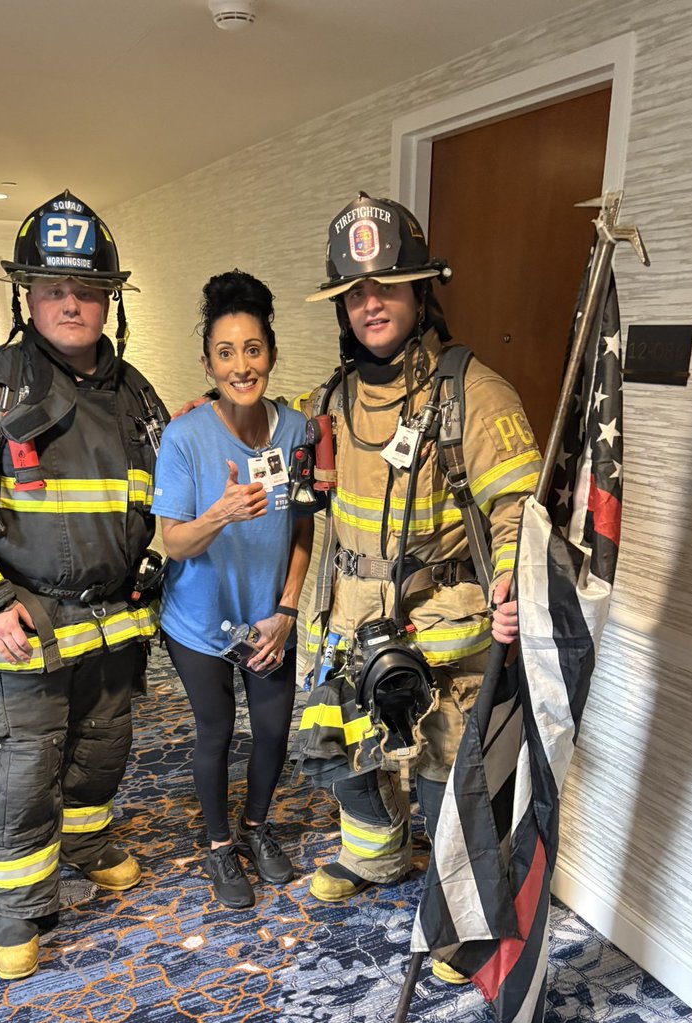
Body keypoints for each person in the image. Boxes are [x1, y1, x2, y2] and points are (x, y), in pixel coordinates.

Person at [0, 191, 168, 981]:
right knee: (24, 771)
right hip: (20, 628)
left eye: (88, 289)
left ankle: (86, 842)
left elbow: (166, 490)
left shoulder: (136, 394)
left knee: (101, 753)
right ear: (26, 297)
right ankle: (17, 908)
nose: (72, 303)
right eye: (54, 288)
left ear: (110, 299)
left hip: (111, 626)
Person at [294, 193, 541, 929]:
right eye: (354, 293)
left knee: (448, 780)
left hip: (441, 626)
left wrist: (510, 577)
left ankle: (462, 920)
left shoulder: (477, 394)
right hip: (346, 622)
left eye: (387, 286)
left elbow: (518, 513)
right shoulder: (330, 399)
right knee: (352, 762)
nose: (370, 304)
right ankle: (375, 858)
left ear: (422, 291)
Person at [152, 270, 314, 909]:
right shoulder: (185, 437)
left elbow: (303, 528)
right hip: (198, 620)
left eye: (252, 349)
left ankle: (256, 828)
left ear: (270, 354)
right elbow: (173, 543)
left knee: (273, 731)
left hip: (267, 619)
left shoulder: (296, 431)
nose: (241, 366)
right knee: (215, 732)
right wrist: (219, 513)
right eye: (226, 353)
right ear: (208, 364)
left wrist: (287, 609)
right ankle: (220, 846)